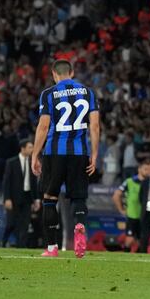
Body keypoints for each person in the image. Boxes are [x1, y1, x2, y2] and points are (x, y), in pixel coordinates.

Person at [31, 58, 100, 258]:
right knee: (78, 197)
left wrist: (35, 155)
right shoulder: (88, 93)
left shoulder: (49, 94)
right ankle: (79, 225)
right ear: (71, 73)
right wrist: (94, 154)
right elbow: (94, 127)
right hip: (79, 153)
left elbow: (43, 127)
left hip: (54, 152)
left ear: (54, 74)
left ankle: (52, 248)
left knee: (50, 198)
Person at [1, 139, 38, 248]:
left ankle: (21, 246)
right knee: (11, 223)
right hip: (13, 197)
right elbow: (6, 182)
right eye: (30, 147)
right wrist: (7, 198)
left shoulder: (32, 162)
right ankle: (4, 242)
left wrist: (36, 199)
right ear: (23, 148)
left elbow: (34, 183)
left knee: (25, 224)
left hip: (27, 197)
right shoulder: (11, 162)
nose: (32, 149)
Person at [112, 161, 146, 252]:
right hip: (132, 215)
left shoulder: (149, 183)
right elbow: (116, 195)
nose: (147, 171)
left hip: (145, 216)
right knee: (130, 239)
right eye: (145, 169)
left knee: (142, 240)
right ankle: (125, 255)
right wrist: (121, 209)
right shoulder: (129, 181)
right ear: (139, 169)